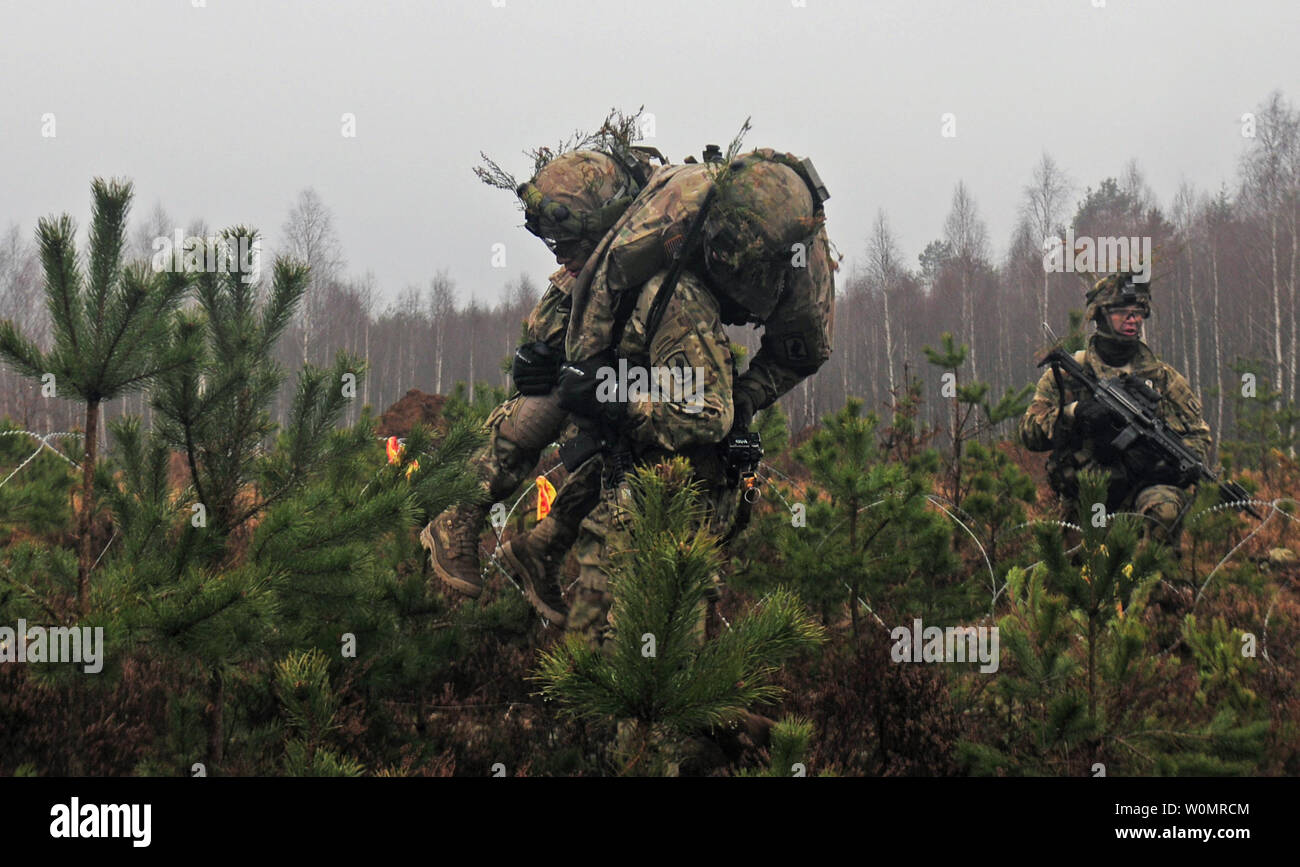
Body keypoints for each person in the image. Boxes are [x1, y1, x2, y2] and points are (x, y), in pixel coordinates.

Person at [549, 148, 836, 642]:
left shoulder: (803, 283)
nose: (725, 264)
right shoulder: (680, 208)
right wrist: (568, 355)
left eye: (739, 262)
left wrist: (744, 397)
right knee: (602, 622)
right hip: (628, 424)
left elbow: (798, 358)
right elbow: (596, 274)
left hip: (681, 464)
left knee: (668, 627)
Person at [421, 146, 665, 624]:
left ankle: (544, 547)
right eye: (556, 244)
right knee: (555, 389)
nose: (561, 254)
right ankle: (462, 512)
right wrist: (536, 354)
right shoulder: (596, 253)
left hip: (644, 385)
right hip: (606, 380)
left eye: (569, 243)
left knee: (637, 444)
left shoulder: (647, 254)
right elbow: (550, 326)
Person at [1018, 272, 1212, 546]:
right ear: (1100, 315)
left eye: (1138, 312)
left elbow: (1198, 435)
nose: (1133, 319)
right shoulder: (1071, 374)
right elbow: (1029, 433)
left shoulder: (1162, 378)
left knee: (1164, 509)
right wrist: (1074, 412)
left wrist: (1171, 469)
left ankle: (1154, 585)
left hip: (1145, 492)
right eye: (1123, 312)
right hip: (1088, 491)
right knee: (1076, 577)